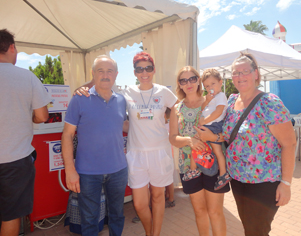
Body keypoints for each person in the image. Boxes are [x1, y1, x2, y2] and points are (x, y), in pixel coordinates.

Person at [75, 52, 177, 236]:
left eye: (148, 68)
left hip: (159, 152)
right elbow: (103, 85)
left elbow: (179, 107)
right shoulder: (126, 93)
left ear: (153, 70)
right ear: (134, 72)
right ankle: (148, 231)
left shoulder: (164, 92)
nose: (144, 72)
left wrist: (173, 129)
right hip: (136, 153)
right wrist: (82, 88)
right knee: (139, 204)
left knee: (157, 196)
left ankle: (155, 234)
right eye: (139, 69)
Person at [195, 53, 296, 236]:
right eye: (236, 73)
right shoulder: (232, 101)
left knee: (257, 230)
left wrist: (286, 183)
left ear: (256, 74)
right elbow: (227, 138)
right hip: (238, 180)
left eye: (245, 72)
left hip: (264, 182)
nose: (240, 77)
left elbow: (289, 144)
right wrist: (211, 135)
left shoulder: (270, 103)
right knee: (249, 228)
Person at [61, 55, 128, 236]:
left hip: (118, 170)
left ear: (116, 75)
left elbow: (125, 125)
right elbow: (67, 135)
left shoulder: (122, 101)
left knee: (117, 215)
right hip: (88, 173)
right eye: (100, 71)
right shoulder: (79, 99)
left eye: (109, 71)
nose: (105, 75)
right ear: (93, 74)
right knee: (89, 220)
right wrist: (70, 169)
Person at [169, 66, 229, 236]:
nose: (188, 83)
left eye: (192, 78)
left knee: (215, 212)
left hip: (214, 164)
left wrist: (213, 137)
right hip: (189, 166)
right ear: (179, 84)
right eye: (183, 80)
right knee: (200, 211)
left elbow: (226, 132)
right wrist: (189, 141)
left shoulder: (213, 101)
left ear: (198, 81)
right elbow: (173, 138)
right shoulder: (176, 108)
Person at [0, 29, 50, 236]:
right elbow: (42, 116)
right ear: (11, 47)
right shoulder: (26, 77)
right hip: (15, 160)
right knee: (11, 216)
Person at [183, 68, 231, 191]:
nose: (210, 88)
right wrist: (207, 100)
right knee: (197, 144)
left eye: (213, 84)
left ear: (220, 82)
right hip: (208, 125)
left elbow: (219, 111)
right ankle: (193, 170)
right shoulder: (211, 97)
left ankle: (223, 174)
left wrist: (205, 120)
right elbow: (203, 107)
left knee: (217, 150)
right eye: (207, 86)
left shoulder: (221, 96)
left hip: (214, 126)